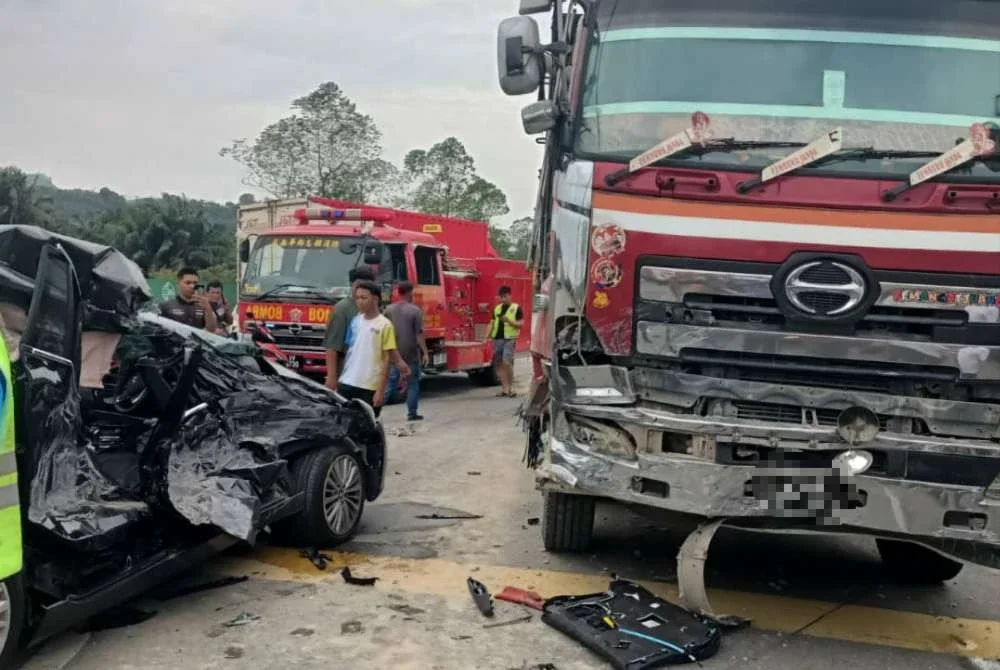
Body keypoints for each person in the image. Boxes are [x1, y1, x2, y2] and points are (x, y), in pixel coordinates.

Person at [324, 265, 409, 391]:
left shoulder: (377, 308)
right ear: (354, 285)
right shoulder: (342, 309)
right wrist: (331, 377)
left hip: (373, 376)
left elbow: (387, 343)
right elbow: (332, 347)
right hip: (349, 376)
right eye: (363, 285)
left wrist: (399, 363)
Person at [337, 280, 397, 417]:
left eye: (364, 298)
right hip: (347, 382)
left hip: (369, 386)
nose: (360, 302)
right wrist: (337, 378)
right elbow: (347, 351)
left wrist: (380, 390)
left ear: (375, 299)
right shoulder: (355, 321)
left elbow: (388, 359)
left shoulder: (385, 325)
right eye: (357, 298)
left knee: (367, 428)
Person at [384, 281, 429, 421]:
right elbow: (419, 334)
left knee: (390, 382)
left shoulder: (388, 310)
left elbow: (383, 332)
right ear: (410, 293)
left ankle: (375, 409)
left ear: (398, 292)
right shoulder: (415, 311)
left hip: (393, 352)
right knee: (412, 383)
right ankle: (412, 413)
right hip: (410, 352)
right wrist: (425, 352)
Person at [158, 267, 218, 333]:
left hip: (196, 342)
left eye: (195, 283)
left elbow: (211, 330)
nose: (192, 286)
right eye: (188, 283)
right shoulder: (165, 306)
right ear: (178, 284)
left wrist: (208, 309)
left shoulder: (204, 305)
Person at [488, 285, 523, 397]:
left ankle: (510, 388)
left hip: (509, 339)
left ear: (510, 295)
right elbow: (491, 323)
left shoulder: (516, 308)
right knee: (499, 364)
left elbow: (521, 324)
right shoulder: (497, 308)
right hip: (497, 339)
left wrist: (509, 321)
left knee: (506, 363)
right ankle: (505, 389)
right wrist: (486, 336)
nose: (503, 299)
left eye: (505, 296)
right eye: (501, 297)